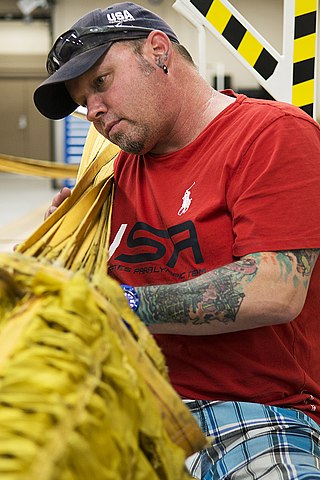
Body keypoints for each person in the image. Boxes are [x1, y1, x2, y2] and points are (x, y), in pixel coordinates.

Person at [34, 2, 320, 478]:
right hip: (133, 406)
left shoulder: (272, 137)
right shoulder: (109, 176)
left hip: (255, 414)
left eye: (101, 82)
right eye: (85, 101)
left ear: (159, 51)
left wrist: (120, 303)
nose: (94, 111)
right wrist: (69, 247)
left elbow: (275, 289)